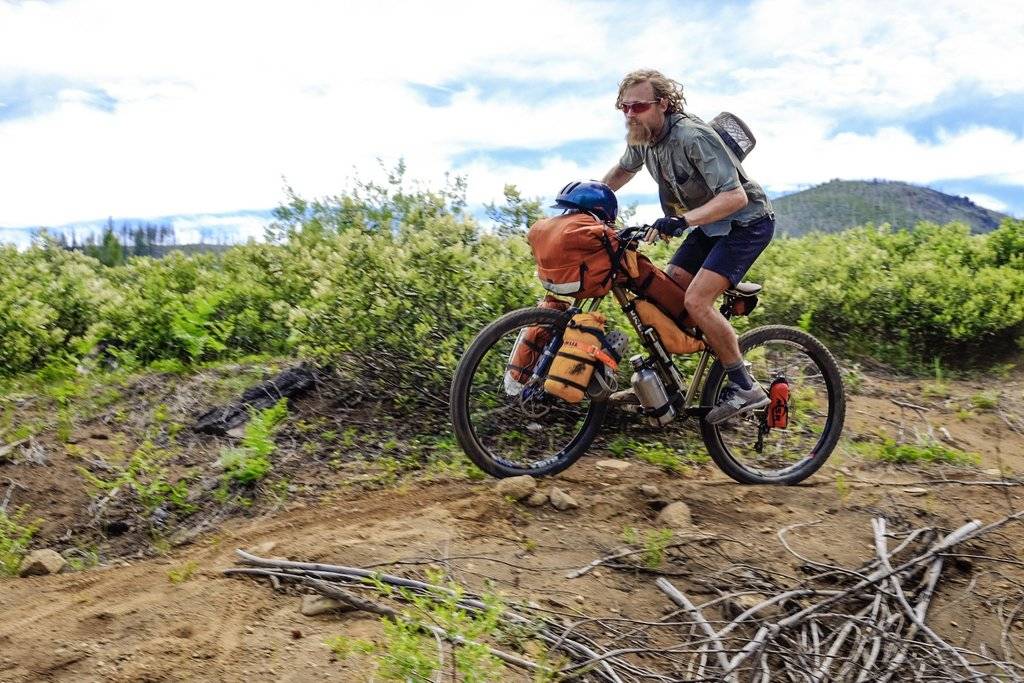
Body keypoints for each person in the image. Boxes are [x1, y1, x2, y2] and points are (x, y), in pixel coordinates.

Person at [601, 69, 775, 424]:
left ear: (663, 104)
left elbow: (735, 196)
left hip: (746, 223)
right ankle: (665, 381)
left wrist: (682, 220)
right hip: (710, 226)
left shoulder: (692, 137)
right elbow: (621, 171)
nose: (630, 114)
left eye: (638, 106)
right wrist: (591, 204)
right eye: (624, 107)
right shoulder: (643, 139)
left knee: (696, 300)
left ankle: (745, 387)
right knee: (664, 294)